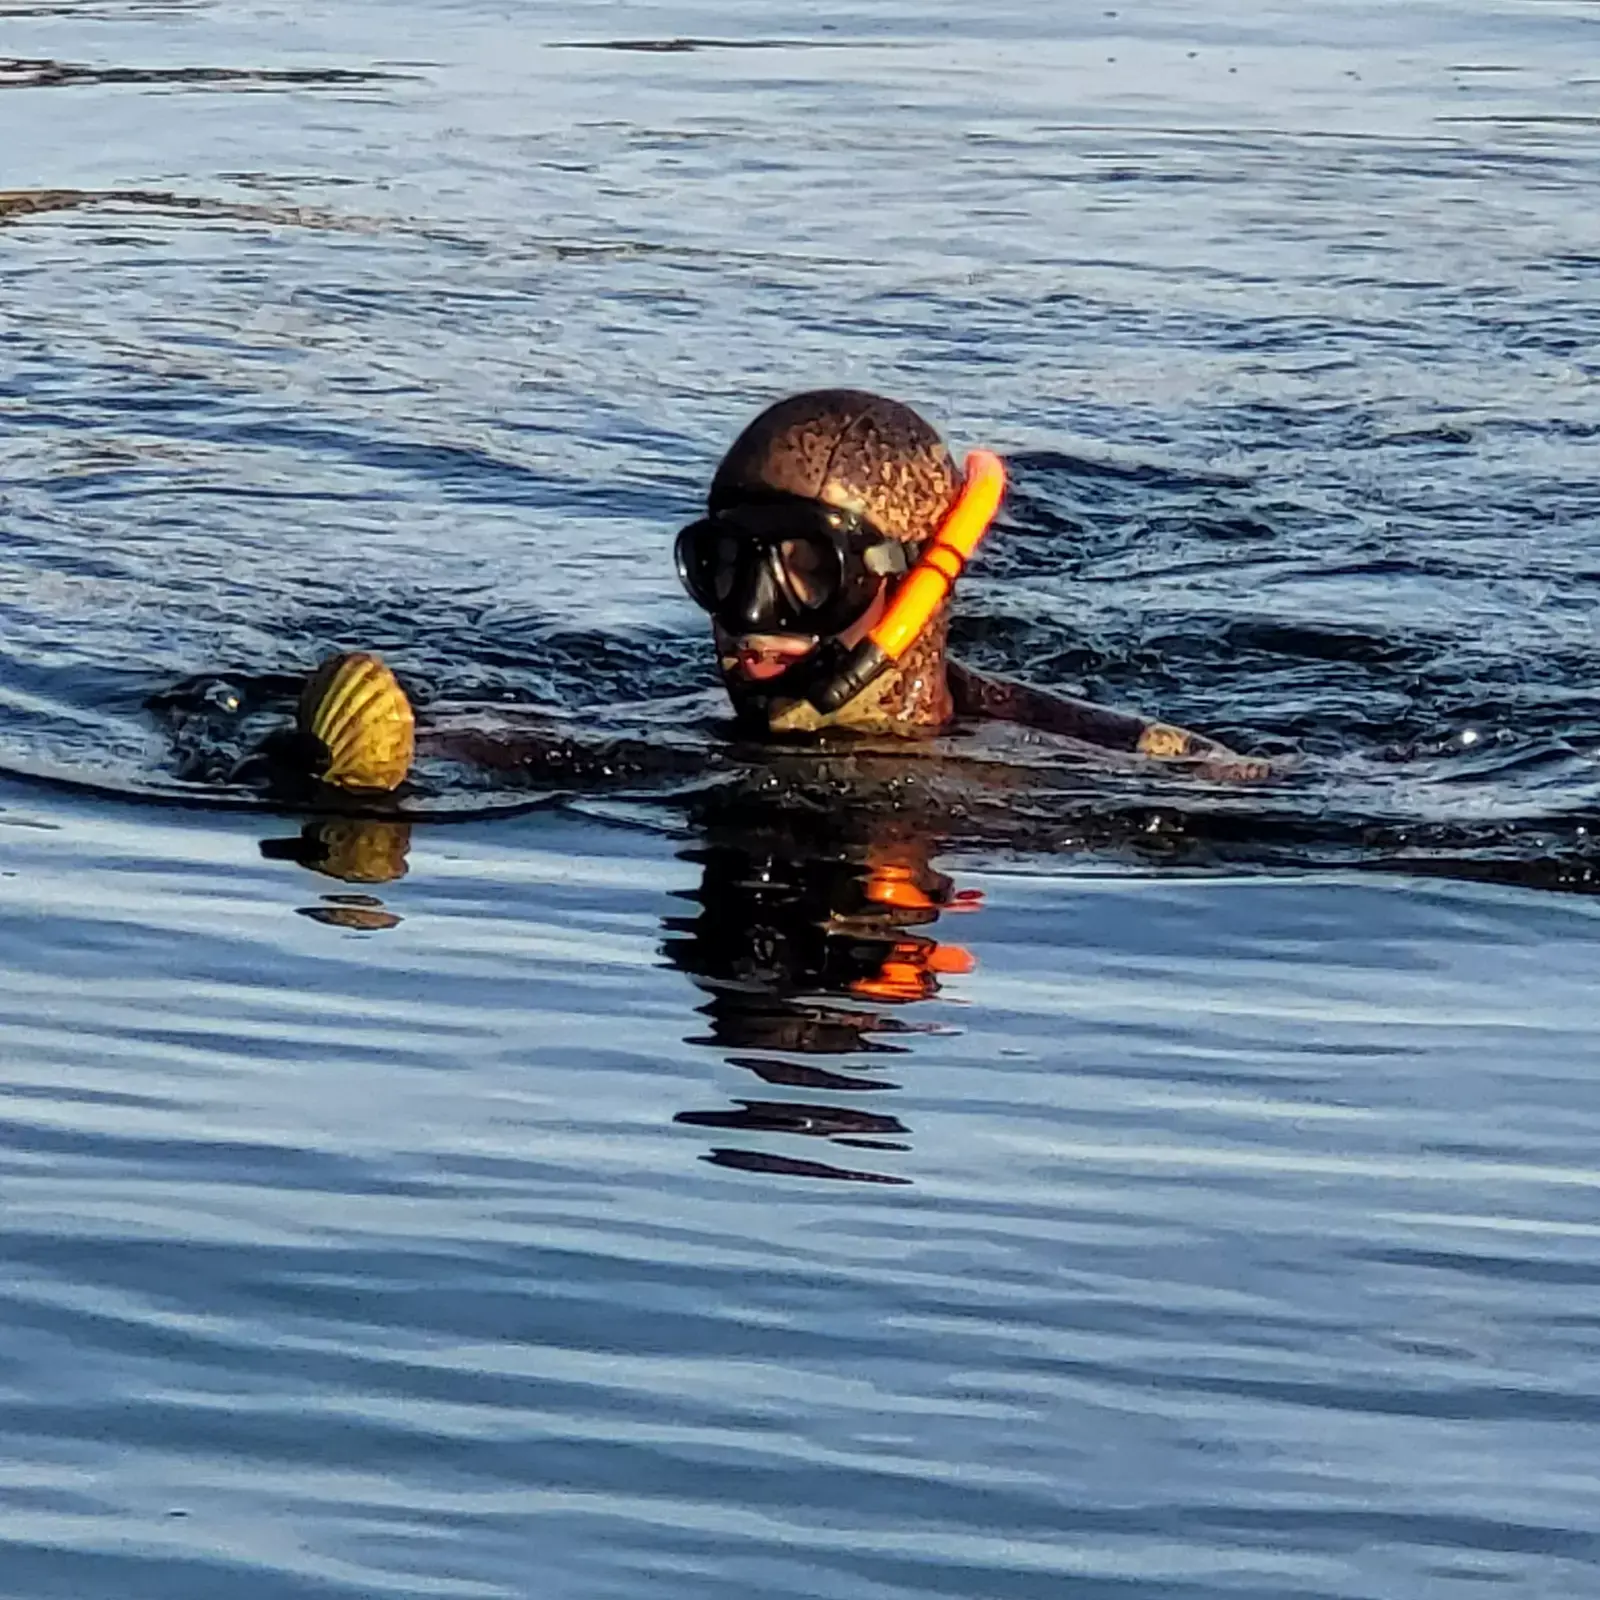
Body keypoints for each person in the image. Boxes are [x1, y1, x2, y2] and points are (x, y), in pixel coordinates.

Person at [287, 388, 1266, 792]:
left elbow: (1266, 793)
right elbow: (508, 742)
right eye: (722, 565)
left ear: (908, 581)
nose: (748, 616)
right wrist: (368, 747)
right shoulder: (676, 739)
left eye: (804, 572)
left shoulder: (1070, 762)